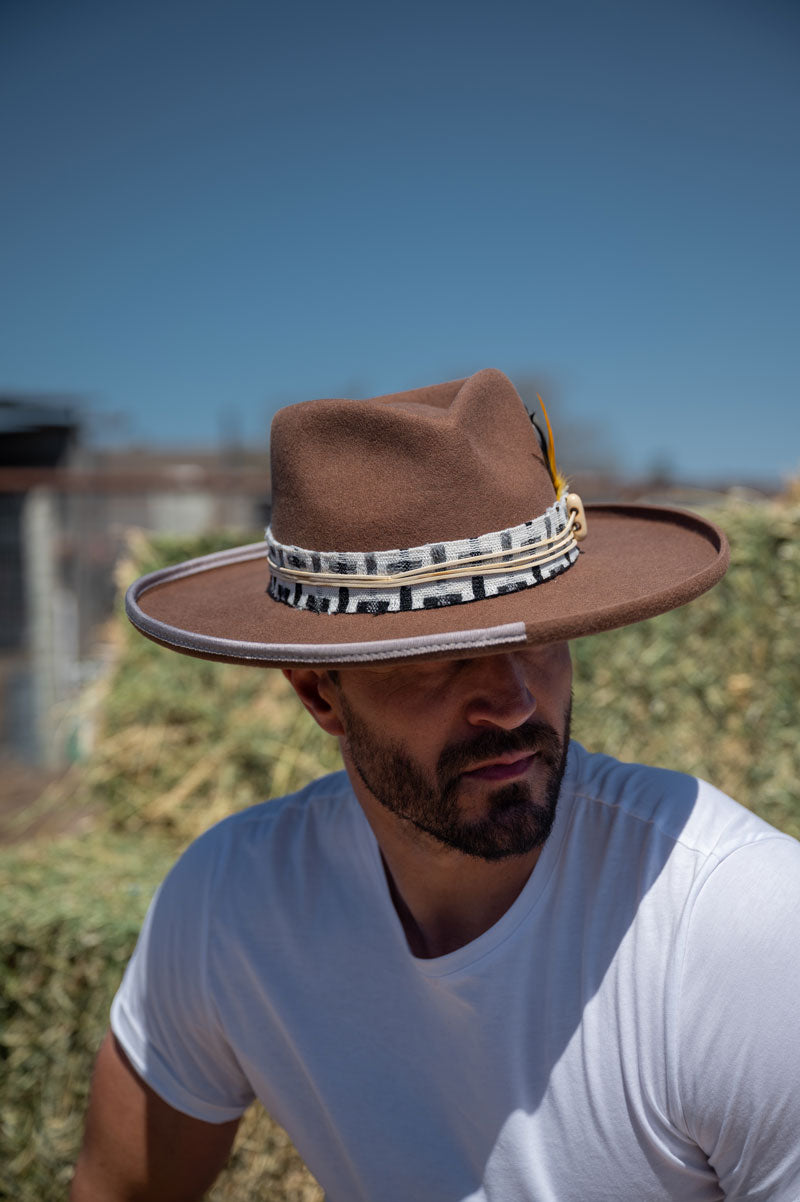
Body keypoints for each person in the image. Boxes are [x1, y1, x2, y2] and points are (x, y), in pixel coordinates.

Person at [71, 369, 800, 1202]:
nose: (515, 704)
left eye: (541, 640)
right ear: (319, 693)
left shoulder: (742, 932)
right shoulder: (231, 907)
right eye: (440, 662)